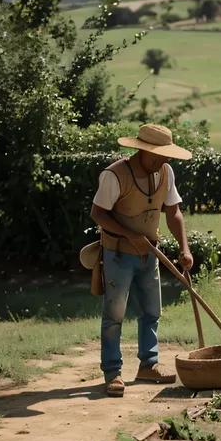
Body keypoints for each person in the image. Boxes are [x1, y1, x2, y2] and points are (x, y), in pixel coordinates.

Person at [90, 124, 193, 397]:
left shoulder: (165, 173)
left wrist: (185, 248)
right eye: (158, 155)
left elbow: (174, 213)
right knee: (115, 315)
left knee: (152, 312)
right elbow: (98, 214)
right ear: (141, 150)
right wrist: (131, 236)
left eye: (166, 155)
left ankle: (149, 365)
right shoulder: (115, 175)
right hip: (118, 254)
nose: (164, 161)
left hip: (150, 254)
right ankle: (112, 372)